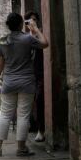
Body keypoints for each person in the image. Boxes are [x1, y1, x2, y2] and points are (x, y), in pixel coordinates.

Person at [0, 12, 48, 157]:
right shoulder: (28, 39)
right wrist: (36, 29)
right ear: (22, 24)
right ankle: (21, 148)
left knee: (5, 115)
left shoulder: (3, 41)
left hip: (9, 82)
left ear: (8, 26)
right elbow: (45, 43)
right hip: (27, 83)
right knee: (23, 116)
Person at [25, 10, 46, 143]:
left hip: (39, 73)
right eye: (29, 20)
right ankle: (31, 126)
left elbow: (45, 44)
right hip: (27, 75)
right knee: (27, 103)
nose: (32, 22)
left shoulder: (40, 35)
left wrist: (36, 30)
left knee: (39, 101)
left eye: (35, 19)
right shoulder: (25, 37)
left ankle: (41, 130)